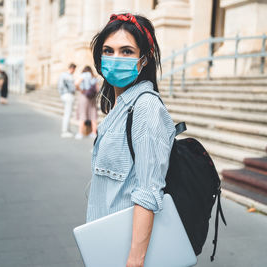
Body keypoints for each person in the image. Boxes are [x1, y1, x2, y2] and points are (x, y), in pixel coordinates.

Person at [86, 13, 176, 267]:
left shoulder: (145, 107)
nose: (115, 59)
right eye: (108, 50)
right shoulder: (119, 108)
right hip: (105, 242)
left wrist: (134, 261)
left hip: (125, 252)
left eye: (126, 51)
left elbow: (148, 191)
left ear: (143, 59)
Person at [75, 66, 98, 139]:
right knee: (93, 114)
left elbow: (76, 83)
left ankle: (80, 133)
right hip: (92, 97)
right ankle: (94, 133)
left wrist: (80, 90)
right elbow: (97, 89)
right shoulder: (93, 76)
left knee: (83, 113)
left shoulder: (84, 75)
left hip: (84, 96)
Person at [57, 63, 76, 138]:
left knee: (67, 113)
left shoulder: (63, 75)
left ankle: (67, 129)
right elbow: (63, 86)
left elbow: (59, 86)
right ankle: (65, 131)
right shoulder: (68, 76)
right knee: (67, 113)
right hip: (68, 95)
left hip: (64, 95)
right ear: (72, 68)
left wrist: (61, 94)